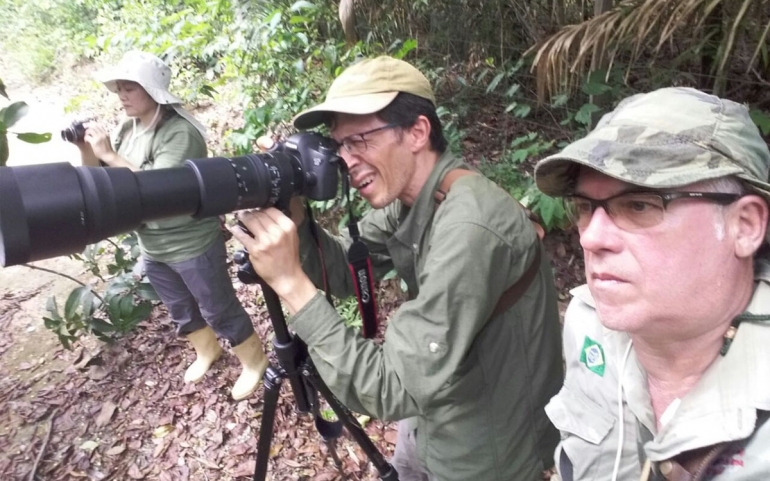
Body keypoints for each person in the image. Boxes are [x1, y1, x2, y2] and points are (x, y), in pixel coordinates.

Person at [231, 56, 564, 480]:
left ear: (417, 132)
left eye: (361, 140)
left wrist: (292, 286)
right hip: (432, 410)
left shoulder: (470, 227)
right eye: (340, 146)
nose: (346, 161)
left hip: (483, 449)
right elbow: (347, 272)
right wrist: (294, 216)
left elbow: (390, 387)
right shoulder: (413, 199)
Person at [534, 87, 770, 481]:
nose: (591, 238)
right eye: (585, 208)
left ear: (743, 226)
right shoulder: (589, 320)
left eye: (639, 205)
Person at [75, 51, 267, 401]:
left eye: (130, 88)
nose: (122, 95)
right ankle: (207, 350)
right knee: (180, 306)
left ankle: (254, 362)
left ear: (153, 90)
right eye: (119, 88)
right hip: (153, 243)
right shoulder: (127, 127)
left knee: (218, 307)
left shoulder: (181, 132)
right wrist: (86, 149)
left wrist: (111, 155)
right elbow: (98, 178)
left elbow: (157, 189)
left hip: (190, 241)